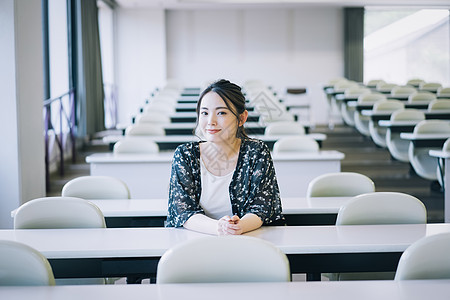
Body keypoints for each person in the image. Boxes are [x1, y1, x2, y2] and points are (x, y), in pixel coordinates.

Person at [166, 79, 284, 235]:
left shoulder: (256, 152)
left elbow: (262, 207)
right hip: (194, 241)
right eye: (204, 113)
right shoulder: (185, 155)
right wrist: (220, 228)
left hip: (247, 239)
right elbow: (183, 211)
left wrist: (240, 226)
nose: (211, 121)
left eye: (221, 112)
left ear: (241, 118)